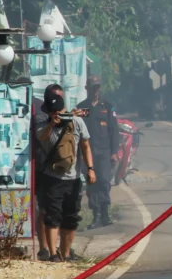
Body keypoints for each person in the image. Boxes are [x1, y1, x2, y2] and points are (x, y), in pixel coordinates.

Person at [36, 89, 96, 263]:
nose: (57, 115)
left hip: (74, 178)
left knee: (71, 217)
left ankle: (66, 252)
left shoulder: (76, 122)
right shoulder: (43, 124)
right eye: (53, 113)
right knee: (52, 216)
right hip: (53, 178)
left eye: (60, 112)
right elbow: (42, 137)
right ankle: (53, 253)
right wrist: (51, 125)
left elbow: (85, 146)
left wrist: (90, 168)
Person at [76, 75, 118, 229]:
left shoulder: (107, 106)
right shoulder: (82, 108)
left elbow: (114, 131)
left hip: (104, 151)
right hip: (88, 152)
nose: (95, 90)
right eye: (92, 87)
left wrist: (114, 152)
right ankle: (97, 215)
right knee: (92, 183)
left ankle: (106, 214)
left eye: (97, 87)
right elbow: (77, 131)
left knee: (105, 181)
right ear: (87, 89)